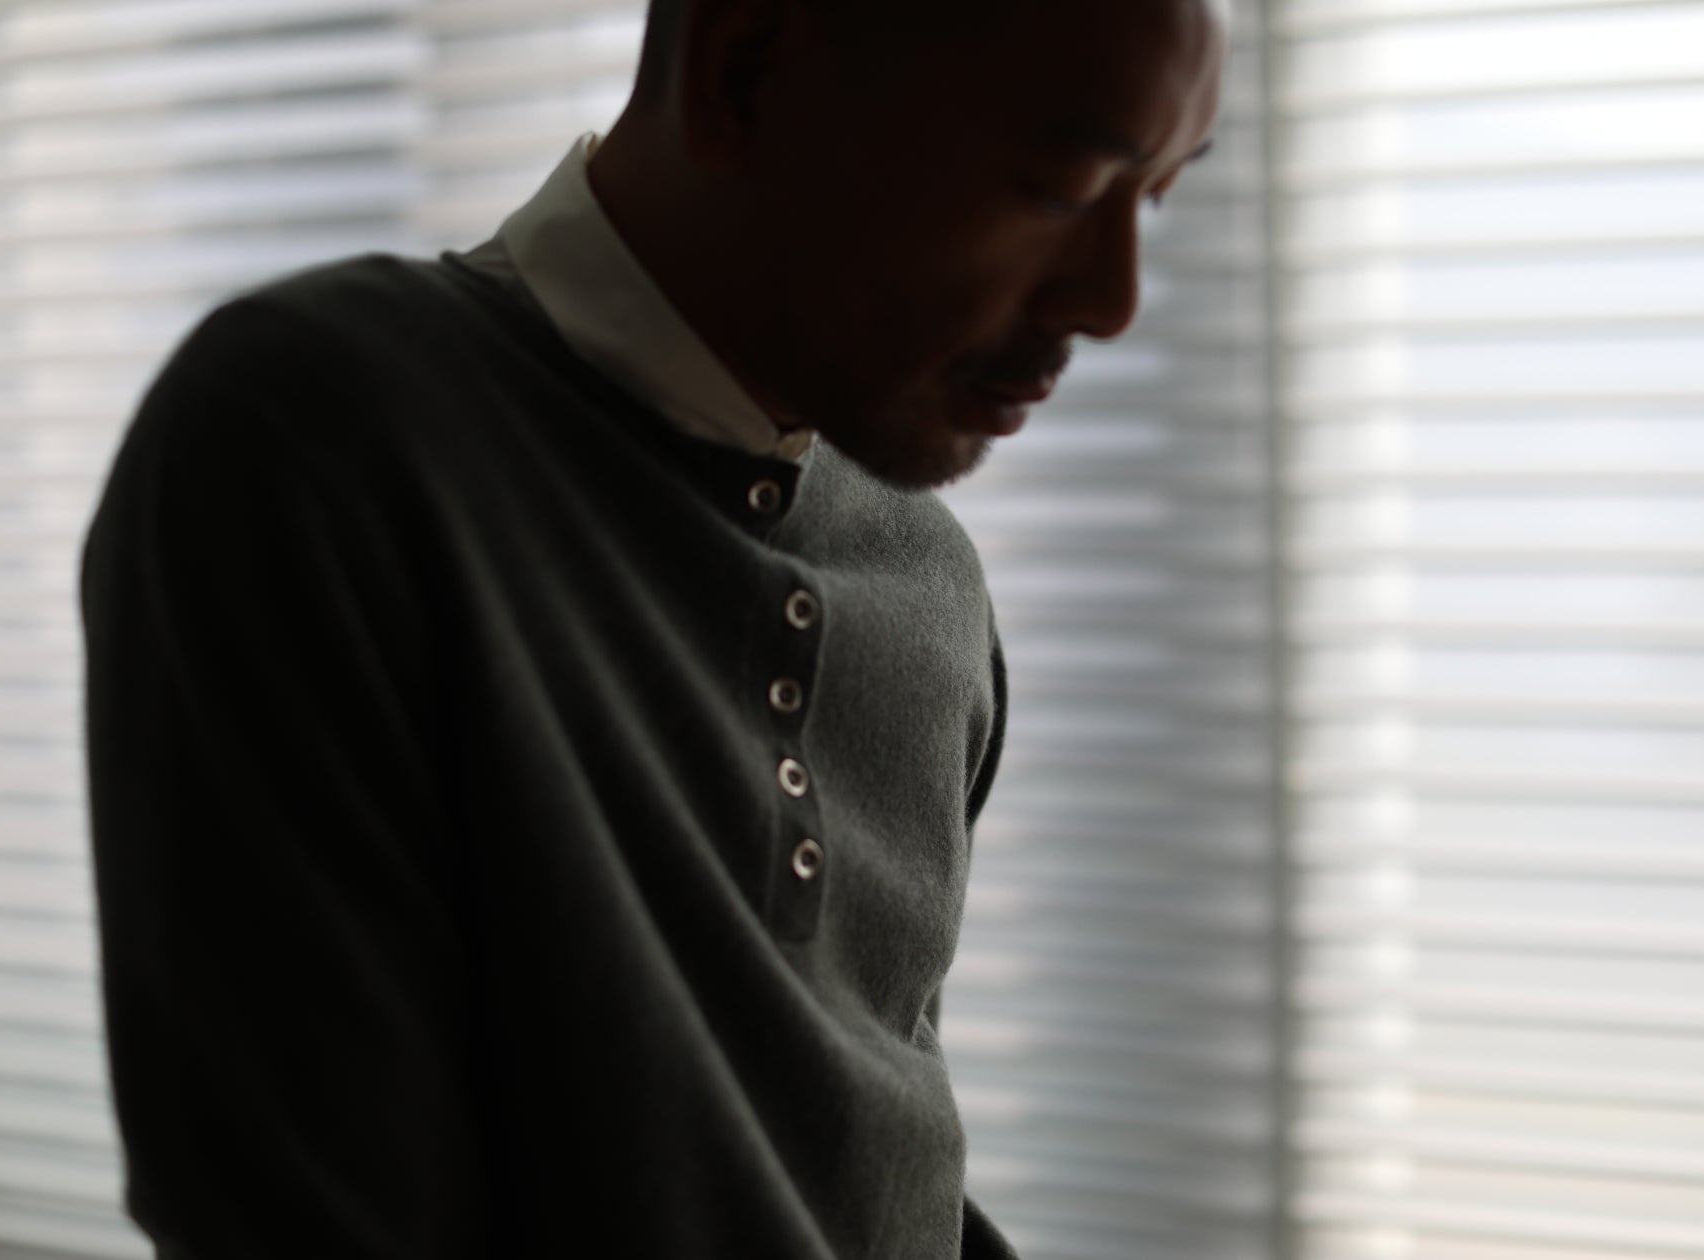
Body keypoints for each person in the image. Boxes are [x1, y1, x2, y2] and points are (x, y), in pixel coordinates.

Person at [79, 0, 1227, 1254]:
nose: (1115, 299)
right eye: (1061, 186)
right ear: (744, 73)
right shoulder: (319, 441)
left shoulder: (927, 581)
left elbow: (861, 1176)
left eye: (1155, 196)